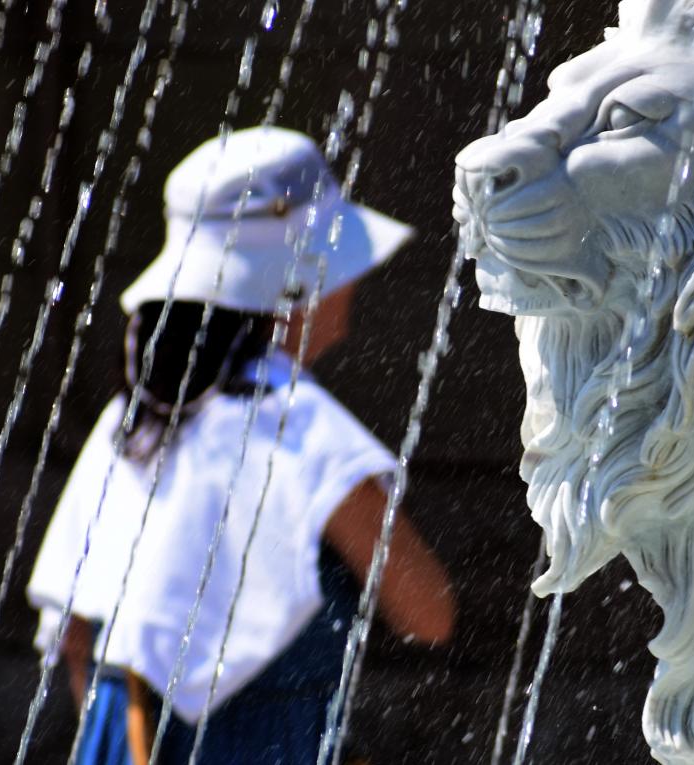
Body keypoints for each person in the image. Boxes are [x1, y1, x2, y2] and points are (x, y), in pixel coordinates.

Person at [26, 126, 457, 765]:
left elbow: (74, 635)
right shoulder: (300, 428)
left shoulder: (139, 415)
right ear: (297, 285)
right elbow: (429, 614)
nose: (353, 285)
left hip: (121, 739)